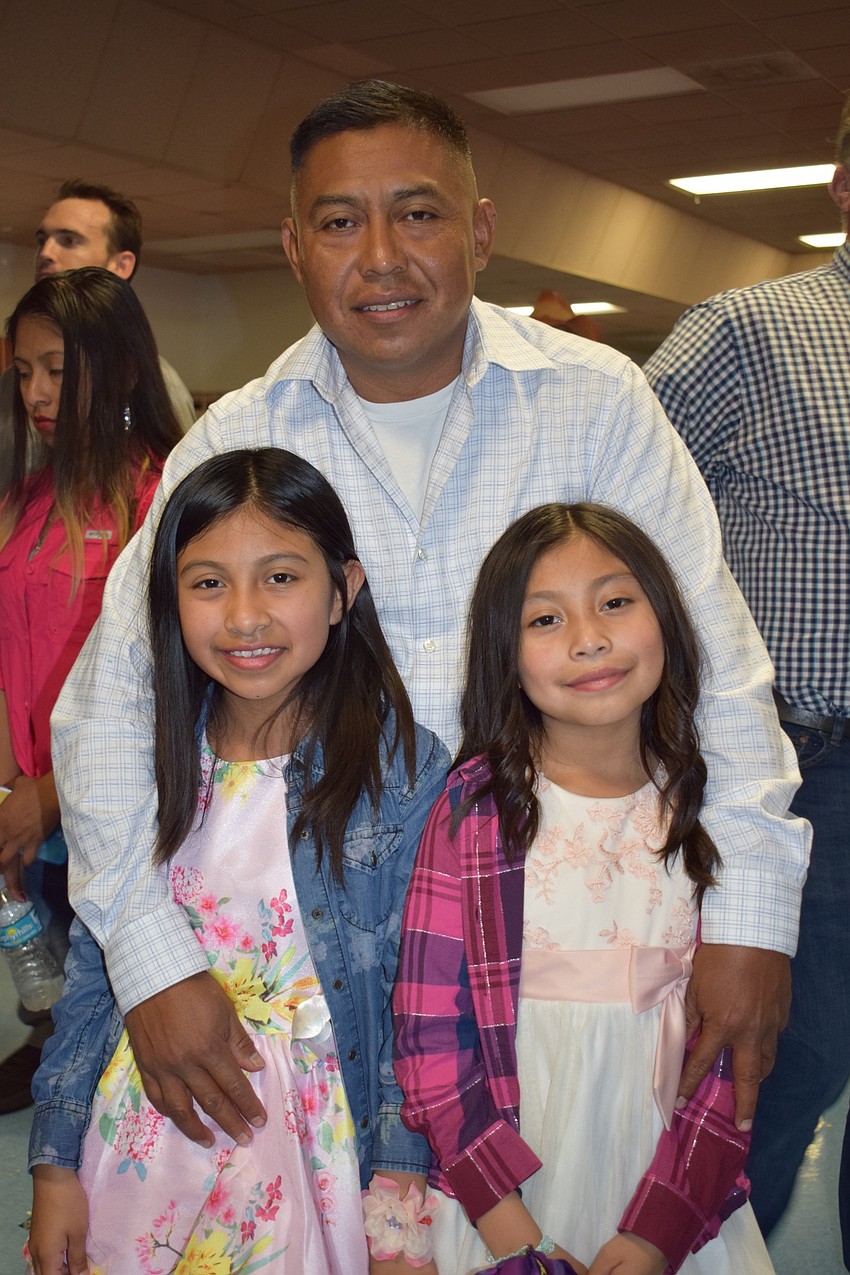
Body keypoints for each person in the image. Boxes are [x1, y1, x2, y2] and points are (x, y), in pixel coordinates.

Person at [51, 79, 807, 1164]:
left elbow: (716, 669)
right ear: (294, 246)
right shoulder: (241, 438)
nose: (381, 257)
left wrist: (749, 914)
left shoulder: (594, 405)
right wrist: (147, 953)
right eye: (339, 222)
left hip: (579, 947)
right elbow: (112, 706)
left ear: (481, 229)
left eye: (417, 213)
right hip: (322, 968)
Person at [26, 446, 449, 1275]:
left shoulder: (403, 768)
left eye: (281, 578)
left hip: (317, 1148)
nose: (244, 616)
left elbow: (423, 994)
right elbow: (94, 966)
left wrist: (399, 1191)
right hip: (147, 1139)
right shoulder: (145, 763)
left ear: (343, 593)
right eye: (208, 582)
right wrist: (53, 1160)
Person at [394, 503, 775, 1275]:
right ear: (505, 649)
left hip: (664, 1189)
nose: (588, 637)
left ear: (664, 614)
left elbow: (725, 1058)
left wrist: (659, 1229)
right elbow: (429, 1033)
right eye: (545, 618)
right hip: (505, 1192)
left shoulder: (714, 810)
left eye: (614, 601)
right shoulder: (474, 813)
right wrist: (509, 1226)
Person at [643, 94, 850, 1260]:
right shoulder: (749, 332)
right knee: (781, 1071)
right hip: (809, 775)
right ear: (840, 184)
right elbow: (611, 520)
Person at [0, 267, 183, 1111]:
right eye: (25, 370)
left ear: (120, 369)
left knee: (119, 1035)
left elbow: (164, 687)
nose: (37, 392)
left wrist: (52, 795)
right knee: (60, 1007)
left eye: (58, 371)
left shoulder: (161, 496)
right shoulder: (28, 496)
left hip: (112, 808)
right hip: (31, 808)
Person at [0, 178, 195, 495]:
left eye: (68, 241)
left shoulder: (153, 384)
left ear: (121, 265)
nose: (46, 253)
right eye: (42, 240)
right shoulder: (11, 382)